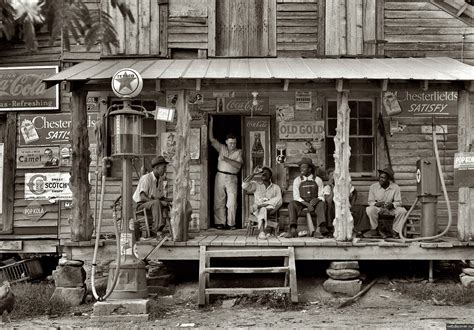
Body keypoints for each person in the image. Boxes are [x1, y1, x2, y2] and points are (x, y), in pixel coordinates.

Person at [132, 155, 191, 240]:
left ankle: (182, 231)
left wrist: (174, 199)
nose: (165, 170)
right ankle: (158, 231)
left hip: (154, 205)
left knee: (179, 201)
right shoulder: (146, 178)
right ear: (157, 167)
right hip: (141, 206)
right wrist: (158, 201)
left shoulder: (160, 179)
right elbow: (143, 197)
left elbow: (161, 198)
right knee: (157, 203)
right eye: (164, 168)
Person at [209, 116, 243, 230]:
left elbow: (238, 165)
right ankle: (220, 222)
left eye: (234, 143)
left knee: (232, 202)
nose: (232, 145)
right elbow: (212, 139)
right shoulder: (222, 148)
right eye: (230, 143)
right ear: (226, 142)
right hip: (220, 175)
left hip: (232, 177)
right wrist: (211, 123)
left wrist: (227, 160)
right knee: (219, 200)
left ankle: (231, 223)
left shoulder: (239, 152)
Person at [285, 157, 327, 238]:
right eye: (300, 167)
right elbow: (296, 197)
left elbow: (321, 195)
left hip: (314, 202)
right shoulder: (297, 180)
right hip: (302, 203)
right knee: (292, 204)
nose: (301, 169)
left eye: (304, 167)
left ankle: (318, 231)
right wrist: (307, 205)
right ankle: (293, 230)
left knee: (322, 204)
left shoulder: (318, 180)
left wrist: (317, 199)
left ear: (310, 169)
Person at [323, 168, 371, 237]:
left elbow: (354, 192)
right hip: (334, 208)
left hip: (346, 207)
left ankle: (360, 231)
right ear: (329, 177)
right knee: (329, 208)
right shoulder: (327, 187)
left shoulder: (345, 185)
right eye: (332, 175)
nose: (334, 176)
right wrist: (333, 187)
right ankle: (331, 231)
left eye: (336, 174)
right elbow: (329, 201)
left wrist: (351, 204)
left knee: (361, 209)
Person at [365, 167, 407, 239]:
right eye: (380, 177)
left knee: (402, 211)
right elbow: (370, 201)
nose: (380, 179)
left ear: (388, 179)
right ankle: (375, 230)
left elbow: (399, 202)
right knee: (369, 209)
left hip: (390, 209)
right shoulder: (373, 187)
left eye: (383, 178)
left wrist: (392, 205)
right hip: (378, 208)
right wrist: (376, 204)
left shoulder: (395, 187)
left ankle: (395, 231)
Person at [242, 166, 283, 240]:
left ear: (270, 175)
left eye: (266, 173)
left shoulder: (276, 187)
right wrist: (253, 174)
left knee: (266, 205)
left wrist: (271, 209)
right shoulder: (256, 185)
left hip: (269, 209)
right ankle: (261, 232)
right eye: (262, 173)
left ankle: (262, 232)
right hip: (257, 210)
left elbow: (279, 201)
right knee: (263, 209)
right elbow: (244, 185)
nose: (263, 174)